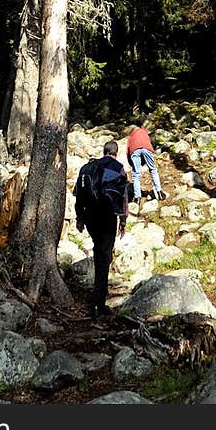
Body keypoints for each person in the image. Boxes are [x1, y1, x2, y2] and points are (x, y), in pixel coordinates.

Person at [73, 140, 129, 318]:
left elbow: (78, 194)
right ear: (116, 153)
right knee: (104, 255)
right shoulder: (119, 168)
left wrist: (80, 218)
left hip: (90, 217)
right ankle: (97, 303)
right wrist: (123, 221)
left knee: (100, 251)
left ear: (103, 151)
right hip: (108, 216)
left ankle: (98, 300)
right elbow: (123, 197)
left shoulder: (88, 167)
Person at [126, 118, 165, 207]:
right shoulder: (144, 132)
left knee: (136, 174)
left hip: (134, 151)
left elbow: (128, 149)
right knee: (153, 169)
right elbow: (148, 143)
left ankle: (137, 198)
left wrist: (131, 163)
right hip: (147, 149)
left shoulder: (131, 135)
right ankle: (159, 192)